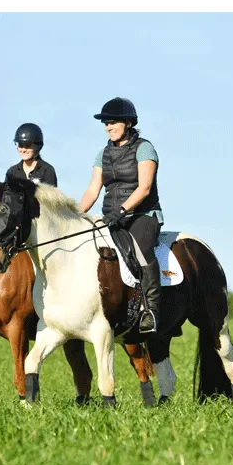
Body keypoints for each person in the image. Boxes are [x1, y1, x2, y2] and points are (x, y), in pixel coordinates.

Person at [80, 97, 164, 334]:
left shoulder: (144, 148)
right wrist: (75, 216)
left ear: (128, 122)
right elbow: (93, 189)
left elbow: (144, 188)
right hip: (111, 216)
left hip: (142, 214)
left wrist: (122, 211)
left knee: (140, 249)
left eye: (113, 122)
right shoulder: (103, 154)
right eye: (106, 123)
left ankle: (151, 311)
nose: (108, 127)